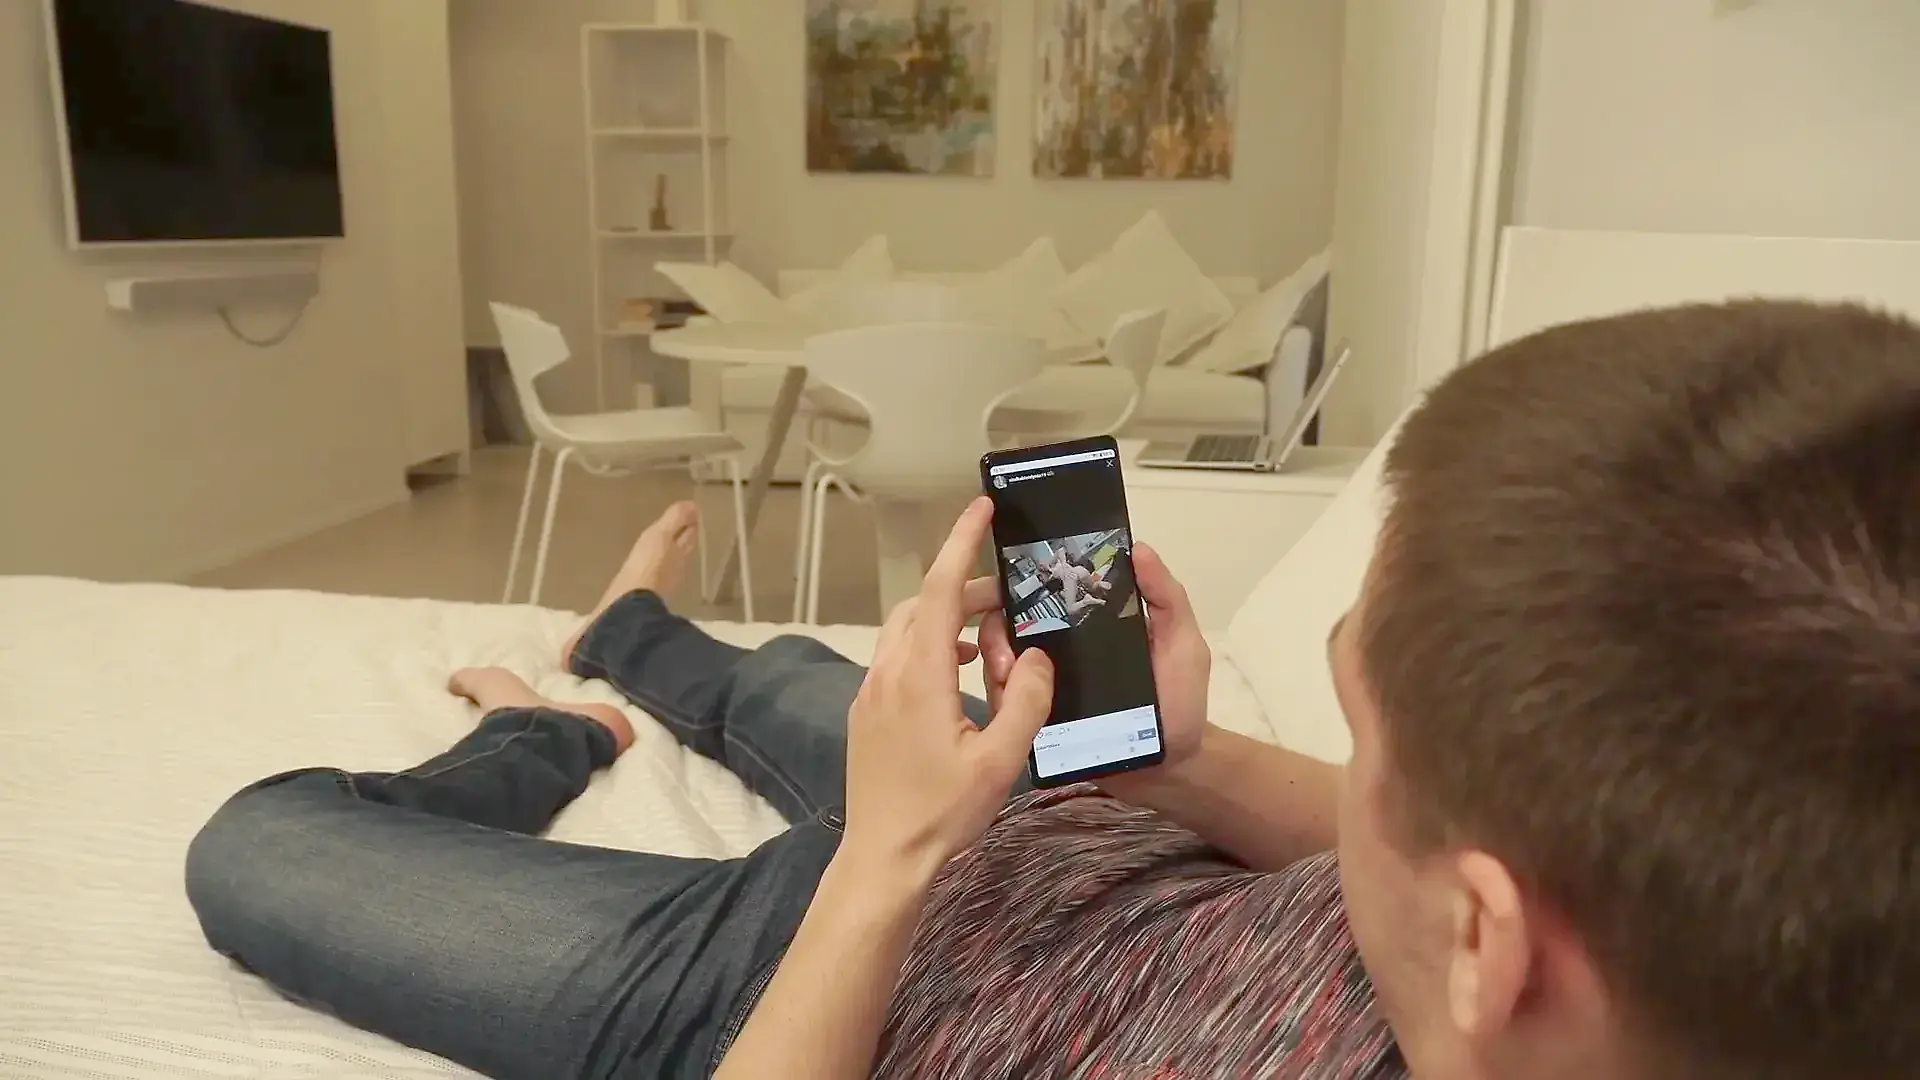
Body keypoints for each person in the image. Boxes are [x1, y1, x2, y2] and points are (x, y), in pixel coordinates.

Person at [184, 298, 1920, 1080]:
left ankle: (546, 727)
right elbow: (1429, 830)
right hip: (1068, 833)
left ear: (1490, 946)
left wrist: (888, 860)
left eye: (1365, 723)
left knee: (259, 847)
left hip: (810, 977)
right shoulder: (1712, 923)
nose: (1346, 750)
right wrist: (1164, 758)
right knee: (802, 674)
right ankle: (633, 636)